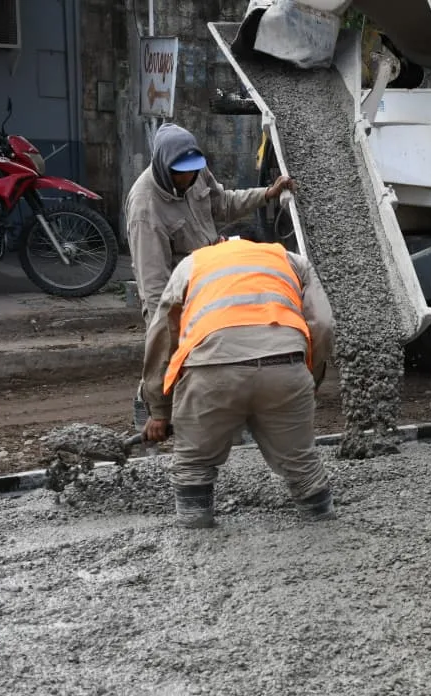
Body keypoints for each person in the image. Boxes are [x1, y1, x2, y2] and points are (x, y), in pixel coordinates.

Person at [139, 225, 336, 529]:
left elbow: (164, 335)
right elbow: (322, 324)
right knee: (303, 466)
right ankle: (326, 531)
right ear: (264, 245)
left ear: (220, 243)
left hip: (210, 371)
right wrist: (308, 378)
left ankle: (193, 543)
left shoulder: (194, 262)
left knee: (193, 466)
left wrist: (159, 410)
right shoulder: (291, 260)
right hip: (285, 368)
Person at [124, 123, 295, 432]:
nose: (189, 178)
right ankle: (150, 406)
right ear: (164, 166)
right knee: (175, 351)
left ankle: (218, 419)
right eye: (182, 173)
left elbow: (223, 204)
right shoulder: (144, 208)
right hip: (176, 289)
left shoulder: (196, 171)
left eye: (193, 170)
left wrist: (267, 194)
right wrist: (166, 329)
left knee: (217, 348)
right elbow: (154, 288)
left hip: (210, 277)